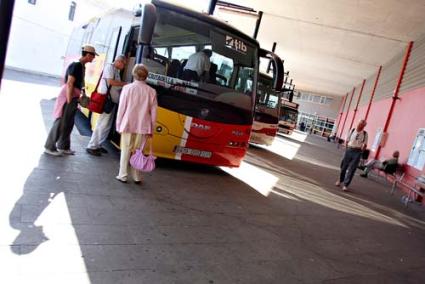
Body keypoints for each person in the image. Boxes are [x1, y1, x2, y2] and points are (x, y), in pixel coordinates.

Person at [44, 44, 97, 156]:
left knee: (69, 123)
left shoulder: (82, 66)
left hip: (74, 96)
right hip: (69, 96)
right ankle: (49, 147)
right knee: (61, 121)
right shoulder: (76, 65)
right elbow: (70, 83)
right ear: (87, 55)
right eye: (93, 56)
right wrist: (69, 100)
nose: (94, 58)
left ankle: (63, 146)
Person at [115, 64, 157, 184]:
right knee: (139, 151)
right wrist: (152, 129)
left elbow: (121, 108)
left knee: (125, 150)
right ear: (146, 76)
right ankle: (137, 176)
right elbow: (154, 113)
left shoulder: (127, 88)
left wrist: (118, 124)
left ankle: (122, 175)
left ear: (134, 74)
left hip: (128, 124)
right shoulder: (152, 91)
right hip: (143, 127)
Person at [86, 55, 127, 156]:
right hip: (107, 100)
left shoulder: (116, 70)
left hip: (112, 101)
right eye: (123, 64)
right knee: (102, 124)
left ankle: (98, 144)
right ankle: (92, 146)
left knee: (107, 125)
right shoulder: (110, 67)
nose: (124, 66)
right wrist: (125, 84)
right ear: (119, 62)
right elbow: (110, 82)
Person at [336, 119, 368, 191]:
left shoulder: (365, 134)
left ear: (364, 126)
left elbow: (365, 144)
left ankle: (346, 185)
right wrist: (346, 148)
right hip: (349, 150)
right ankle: (340, 180)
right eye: (360, 124)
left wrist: (361, 152)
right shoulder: (352, 130)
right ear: (358, 123)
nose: (361, 126)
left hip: (357, 152)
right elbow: (347, 140)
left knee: (352, 169)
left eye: (363, 125)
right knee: (343, 166)